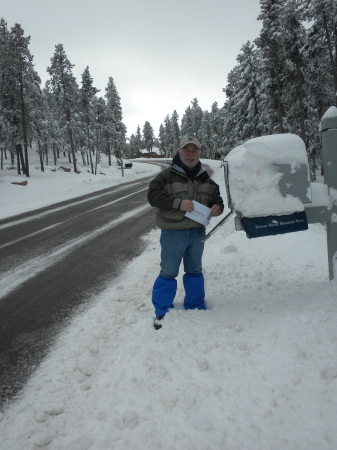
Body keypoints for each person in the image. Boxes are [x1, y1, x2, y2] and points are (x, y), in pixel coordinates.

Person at [147, 136, 224, 329]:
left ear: (200, 153)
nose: (190, 154)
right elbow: (153, 196)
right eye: (186, 150)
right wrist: (178, 203)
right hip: (173, 233)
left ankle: (196, 305)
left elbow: (218, 200)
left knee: (194, 271)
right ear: (179, 151)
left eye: (194, 150)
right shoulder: (166, 176)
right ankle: (162, 310)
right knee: (168, 272)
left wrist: (217, 207)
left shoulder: (206, 179)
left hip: (197, 233)